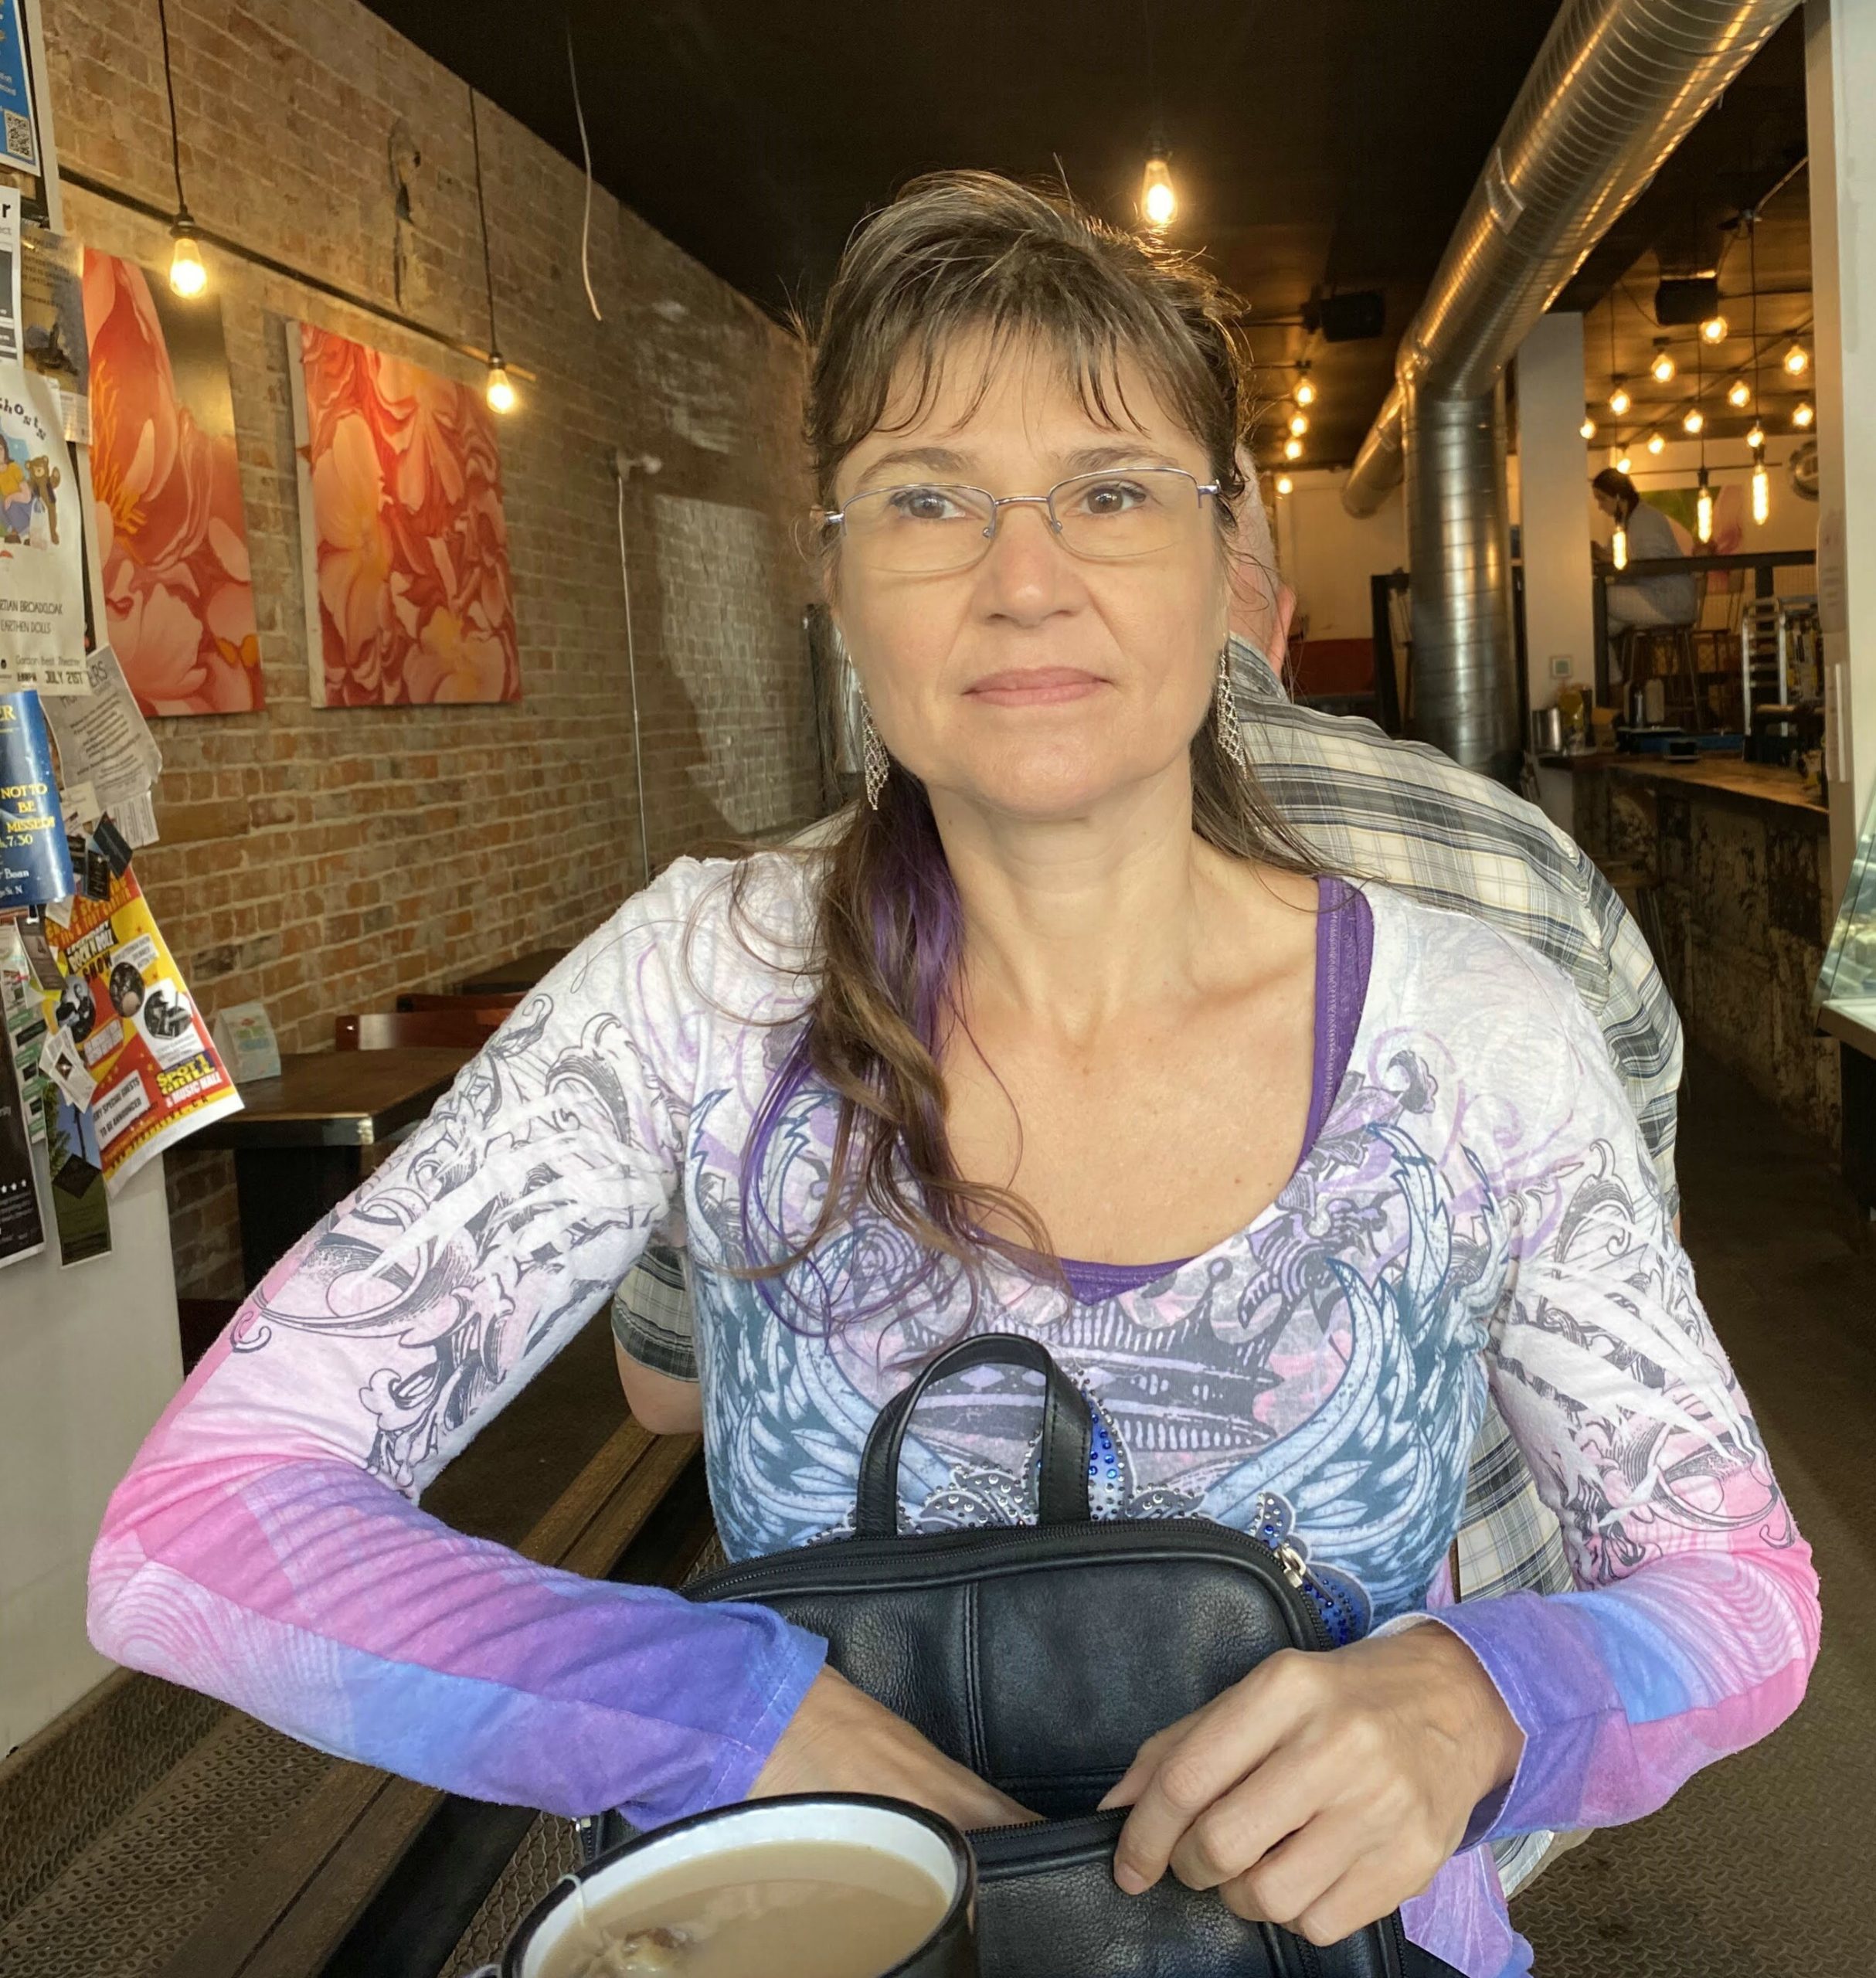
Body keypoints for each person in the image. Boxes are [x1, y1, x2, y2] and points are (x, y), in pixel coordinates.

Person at [90, 175, 1817, 1978]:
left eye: (1109, 489)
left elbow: (1736, 1591)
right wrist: (730, 1711)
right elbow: (201, 1525)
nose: (1024, 579)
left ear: (1222, 548)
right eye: (927, 498)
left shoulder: (1467, 1038)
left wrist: (1480, 1691)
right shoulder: (706, 986)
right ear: (833, 575)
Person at [613, 473, 1690, 1900]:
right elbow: (1626, 1337)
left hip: (877, 1825)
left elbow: (665, 1387)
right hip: (1409, 1790)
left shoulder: (772, 948)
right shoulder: (1526, 869)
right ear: (1279, 618)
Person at [1592, 467, 1700, 679]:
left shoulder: (1644, 521)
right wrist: (1603, 555)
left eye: (1602, 499)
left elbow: (1652, 565)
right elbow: (1617, 555)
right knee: (1594, 626)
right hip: (1659, 597)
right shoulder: (1629, 521)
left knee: (1600, 598)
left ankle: (1615, 684)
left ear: (1617, 496)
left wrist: (1607, 558)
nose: (1600, 506)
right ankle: (1615, 682)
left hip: (1669, 599)